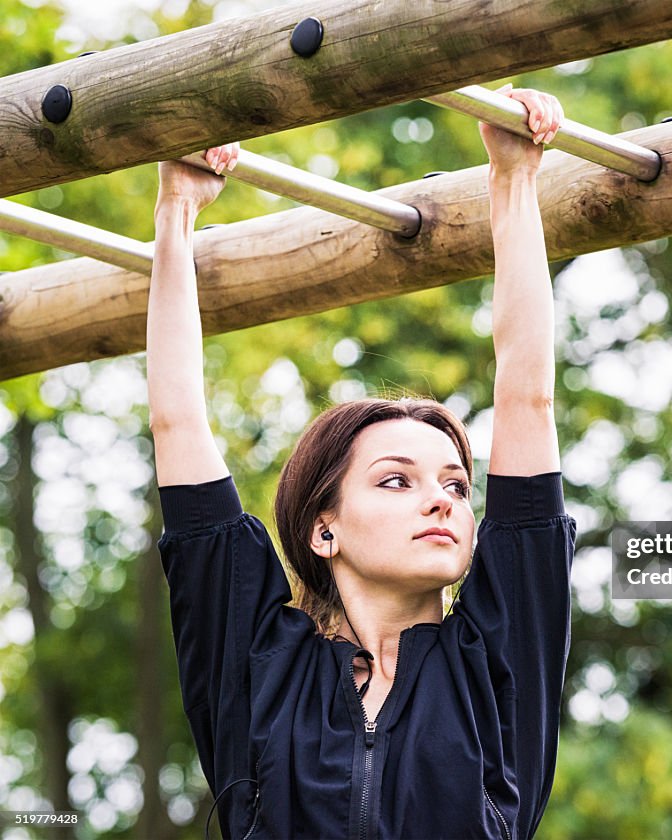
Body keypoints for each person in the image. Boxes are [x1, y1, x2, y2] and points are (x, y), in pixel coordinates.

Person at [148, 87, 575, 840]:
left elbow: (528, 401)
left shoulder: (496, 662)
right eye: (396, 480)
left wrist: (512, 179)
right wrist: (177, 212)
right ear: (323, 530)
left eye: (454, 483)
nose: (443, 500)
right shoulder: (260, 670)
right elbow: (177, 420)